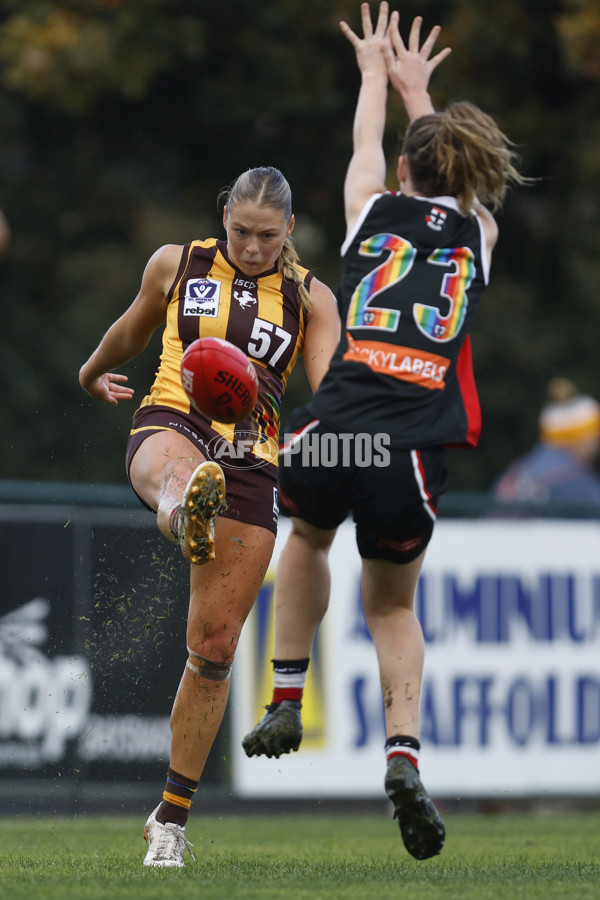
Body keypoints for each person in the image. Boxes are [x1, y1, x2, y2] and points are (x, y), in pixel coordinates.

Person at [242, 2, 527, 861]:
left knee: (305, 541)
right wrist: (422, 96)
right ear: (467, 173)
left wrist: (378, 74)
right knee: (392, 605)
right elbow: (450, 173)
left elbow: (373, 150)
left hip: (337, 425)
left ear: (403, 169)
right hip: (406, 449)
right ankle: (402, 754)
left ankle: (286, 696)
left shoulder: (370, 211)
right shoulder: (480, 233)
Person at [79, 165, 340, 867]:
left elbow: (331, 387)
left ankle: (170, 819)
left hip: (254, 456)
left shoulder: (310, 297)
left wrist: (337, 440)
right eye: (239, 233)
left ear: (289, 228)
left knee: (215, 646)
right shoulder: (178, 262)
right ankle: (183, 509)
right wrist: (90, 370)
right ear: (223, 217)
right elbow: (130, 331)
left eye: (264, 236)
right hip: (175, 415)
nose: (250, 248)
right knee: (176, 473)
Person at [492, 377, 600, 510]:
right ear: (579, 438)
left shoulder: (514, 473)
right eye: (595, 433)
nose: (597, 440)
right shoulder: (573, 479)